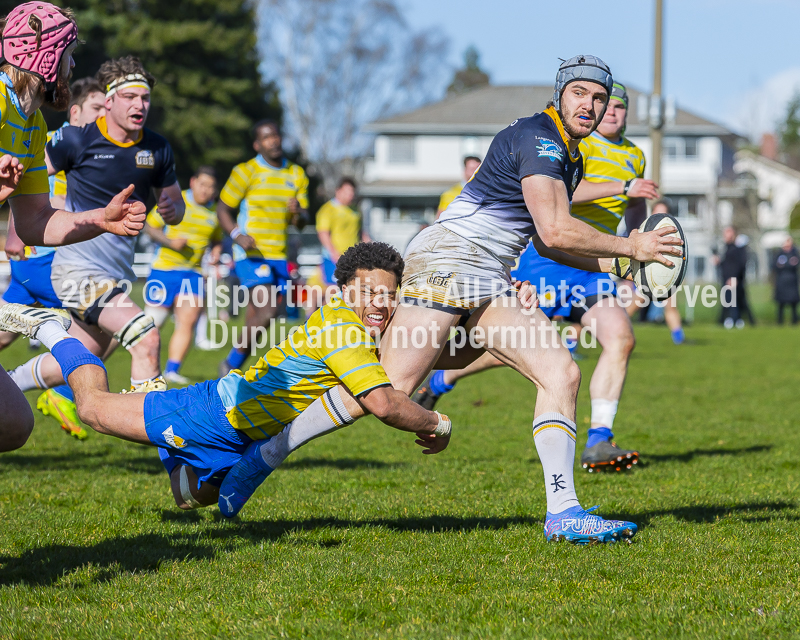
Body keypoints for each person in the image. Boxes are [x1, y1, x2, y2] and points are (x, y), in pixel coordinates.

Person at [218, 56, 683, 544]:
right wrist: (632, 246)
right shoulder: (539, 138)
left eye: (599, 97)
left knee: (561, 371)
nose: (590, 105)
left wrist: (615, 265)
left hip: (490, 274)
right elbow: (554, 228)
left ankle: (564, 512)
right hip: (451, 259)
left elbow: (547, 243)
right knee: (389, 387)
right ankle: (262, 455)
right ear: (560, 95)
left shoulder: (572, 156)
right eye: (580, 93)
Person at [0, 243, 454, 512]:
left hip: (238, 431)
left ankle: (154, 408)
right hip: (212, 412)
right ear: (343, 290)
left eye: (388, 295)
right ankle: (53, 331)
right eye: (367, 292)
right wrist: (438, 424)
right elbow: (384, 404)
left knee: (187, 496)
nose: (379, 302)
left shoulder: (356, 320)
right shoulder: (344, 331)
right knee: (92, 408)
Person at [412, 82, 660, 473]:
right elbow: (554, 198)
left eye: (616, 106)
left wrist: (631, 251)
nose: (607, 111)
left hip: (593, 265)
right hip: (547, 258)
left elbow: (632, 213)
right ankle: (441, 379)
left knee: (620, 338)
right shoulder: (577, 141)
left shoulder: (634, 155)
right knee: (510, 346)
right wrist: (621, 188)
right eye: (602, 103)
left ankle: (598, 439)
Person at [0, 3, 147, 453]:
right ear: (44, 53)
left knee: (13, 424)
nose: (73, 64)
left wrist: (98, 219)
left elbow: (36, 223)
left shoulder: (30, 123)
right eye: (68, 52)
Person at [7, 55, 184, 421]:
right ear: (110, 99)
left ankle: (10, 381)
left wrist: (172, 209)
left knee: (85, 357)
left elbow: (176, 204)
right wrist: (15, 230)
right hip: (76, 272)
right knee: (145, 334)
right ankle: (151, 429)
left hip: (116, 274)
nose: (140, 105)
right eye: (131, 97)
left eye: (145, 98)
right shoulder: (74, 139)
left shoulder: (157, 148)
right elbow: (24, 182)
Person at [1, 77, 106, 440]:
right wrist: (14, 235)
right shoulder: (57, 141)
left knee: (5, 334)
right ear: (76, 112)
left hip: (50, 261)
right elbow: (24, 197)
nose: (104, 115)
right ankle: (61, 395)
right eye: (98, 108)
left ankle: (19, 384)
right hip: (43, 262)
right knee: (108, 319)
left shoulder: (91, 149)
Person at [217, 120, 309, 375]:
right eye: (267, 137)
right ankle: (229, 366)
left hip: (279, 255)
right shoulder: (245, 171)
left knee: (257, 318)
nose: (274, 140)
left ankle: (232, 371)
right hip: (251, 254)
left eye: (276, 135)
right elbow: (223, 208)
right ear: (257, 144)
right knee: (269, 310)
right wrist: (237, 235)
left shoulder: (296, 174)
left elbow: (301, 223)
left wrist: (298, 212)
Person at [143, 166, 222, 384]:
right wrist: (171, 242)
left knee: (188, 322)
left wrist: (216, 252)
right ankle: (143, 367)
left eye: (211, 188)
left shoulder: (215, 213)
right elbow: (150, 227)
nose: (206, 190)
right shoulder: (175, 201)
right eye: (203, 184)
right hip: (164, 270)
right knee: (151, 326)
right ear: (194, 182)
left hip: (193, 274)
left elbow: (217, 239)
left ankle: (171, 371)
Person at [620, 200, 685, 344]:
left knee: (671, 305)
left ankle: (679, 339)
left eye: (663, 212)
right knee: (633, 306)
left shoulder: (673, 233)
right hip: (647, 274)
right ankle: (616, 331)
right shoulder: (645, 230)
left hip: (667, 274)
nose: (659, 215)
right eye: (657, 212)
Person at [310, 177, 370, 306]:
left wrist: (370, 247)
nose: (350, 195)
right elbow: (323, 233)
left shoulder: (355, 211)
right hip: (334, 258)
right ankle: (325, 321)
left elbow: (361, 232)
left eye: (352, 192)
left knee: (350, 292)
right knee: (334, 291)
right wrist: (333, 253)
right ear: (338, 191)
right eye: (347, 192)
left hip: (353, 260)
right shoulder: (328, 210)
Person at [715, 225, 748, 329]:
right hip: (725, 277)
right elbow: (725, 264)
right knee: (727, 299)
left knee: (733, 299)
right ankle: (727, 318)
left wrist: (734, 277)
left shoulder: (737, 248)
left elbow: (739, 265)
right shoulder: (725, 248)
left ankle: (735, 319)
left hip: (733, 278)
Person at [773, 235, 799, 325]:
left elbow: (795, 264)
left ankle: (794, 321)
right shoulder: (779, 254)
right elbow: (775, 265)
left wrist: (786, 265)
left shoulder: (795, 253)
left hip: (792, 281)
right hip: (781, 281)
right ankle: (780, 321)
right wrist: (788, 264)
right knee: (781, 303)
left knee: (793, 302)